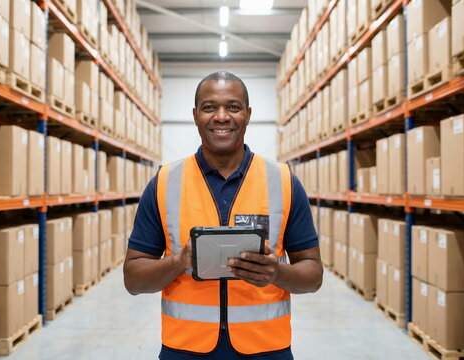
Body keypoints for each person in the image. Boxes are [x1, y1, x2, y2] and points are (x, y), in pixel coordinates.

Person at [124, 71, 323, 360]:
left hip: (266, 349)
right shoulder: (165, 182)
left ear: (248, 114)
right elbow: (133, 279)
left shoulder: (283, 181)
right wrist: (181, 261)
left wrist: (277, 272)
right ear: (195, 115)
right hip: (185, 349)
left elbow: (313, 274)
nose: (221, 117)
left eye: (233, 106)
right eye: (209, 107)